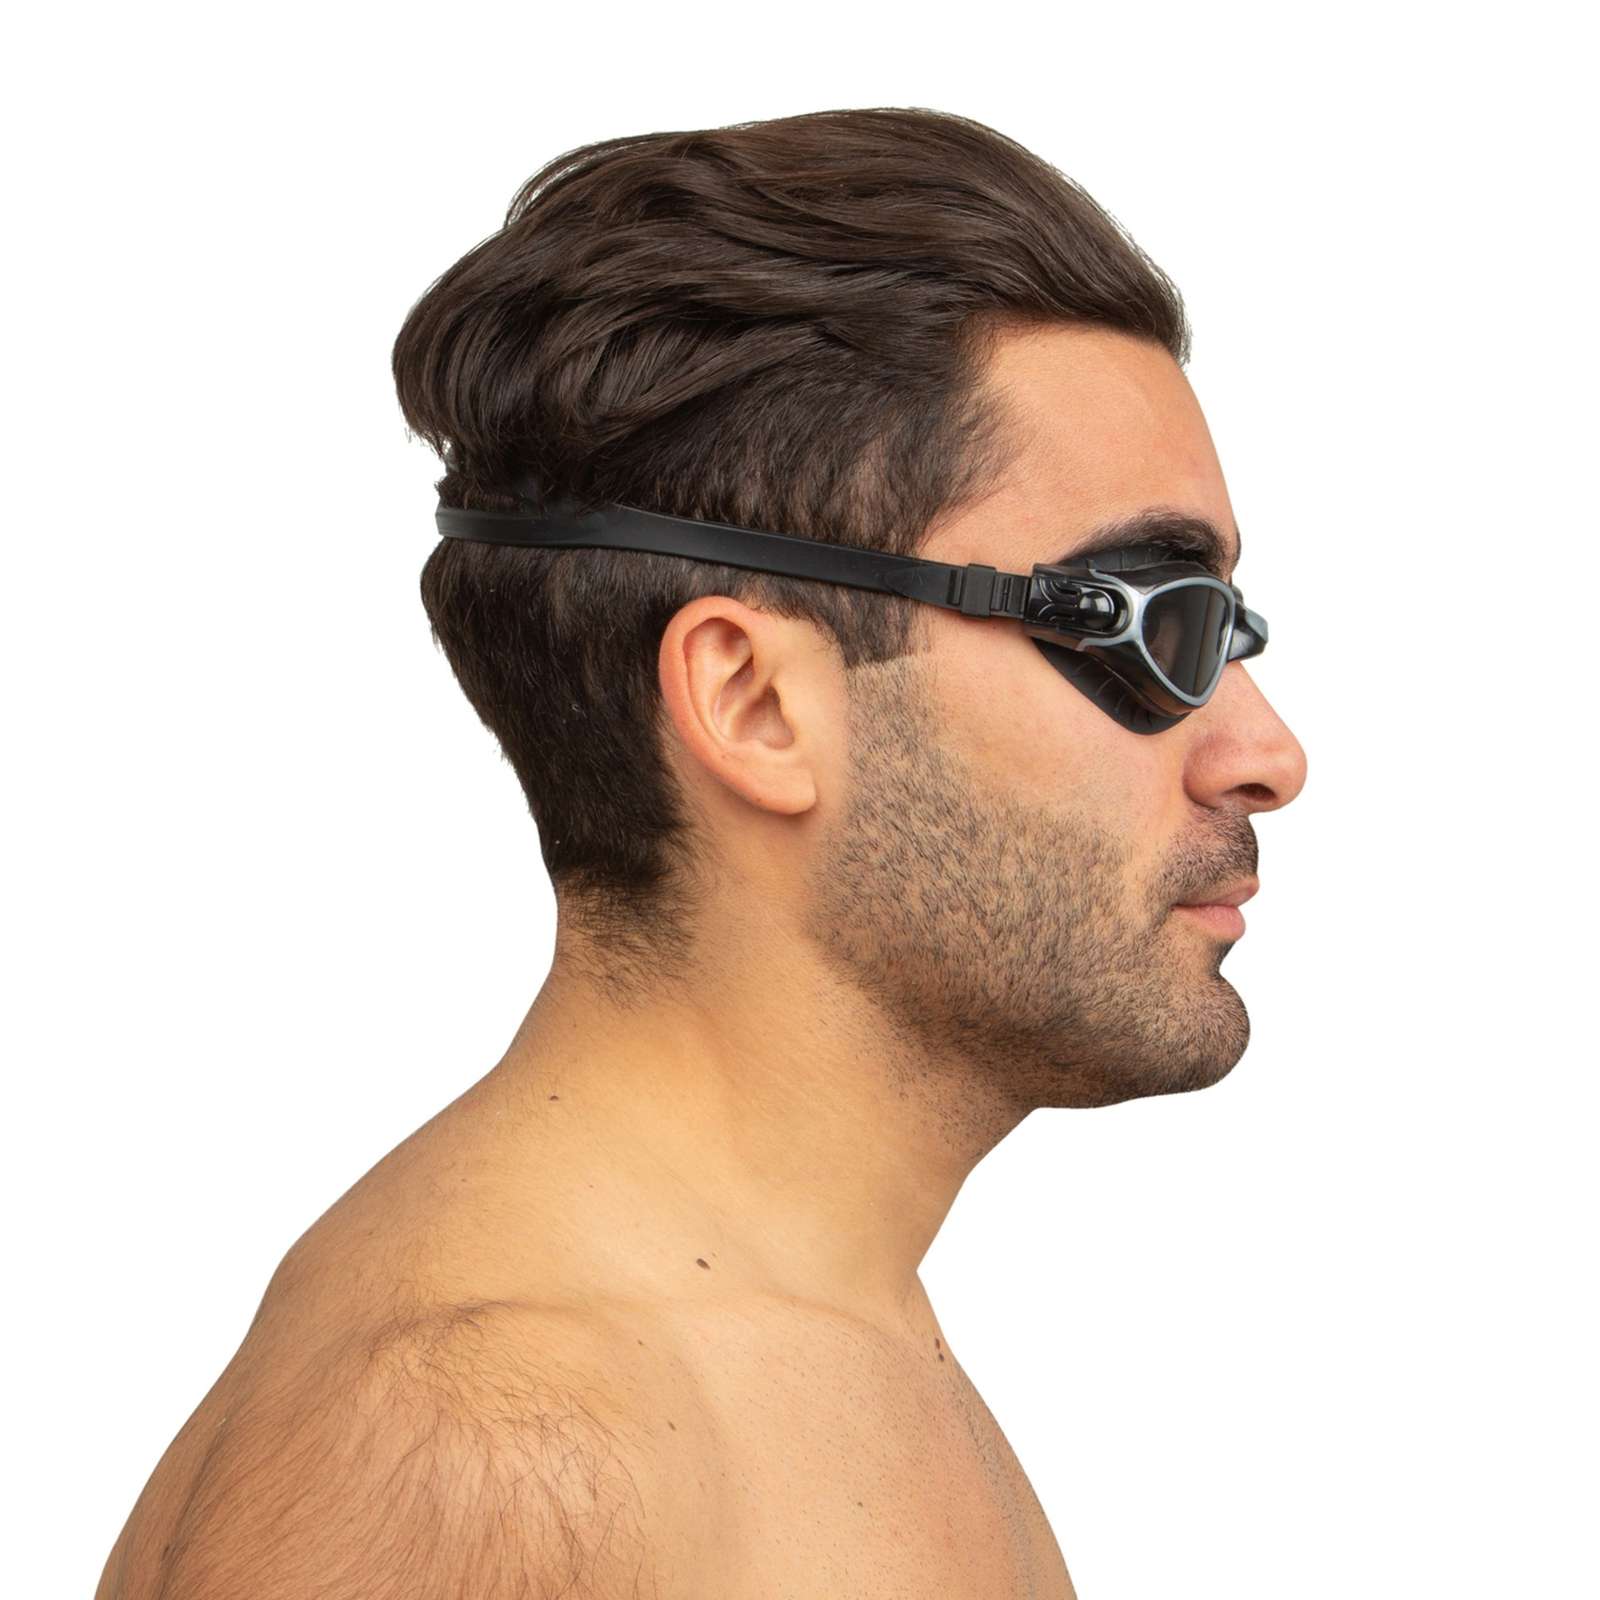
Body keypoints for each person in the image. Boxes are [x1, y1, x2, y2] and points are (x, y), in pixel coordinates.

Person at [97, 106, 1306, 1600]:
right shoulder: (498, 1441)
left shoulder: (816, 1326)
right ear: (754, 703)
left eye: (1229, 635)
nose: (1267, 752)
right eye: (1147, 623)